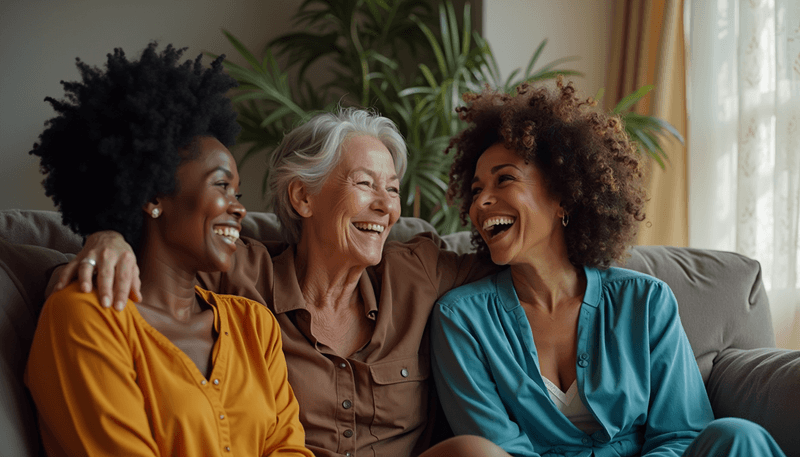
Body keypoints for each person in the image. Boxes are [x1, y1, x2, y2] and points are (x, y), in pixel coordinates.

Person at [51, 107, 508, 456]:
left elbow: (521, 262)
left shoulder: (418, 269)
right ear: (302, 197)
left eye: (392, 189)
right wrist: (109, 236)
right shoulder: (237, 276)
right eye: (366, 183)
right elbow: (154, 258)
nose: (386, 206)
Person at [431, 79, 787, 456]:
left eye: (504, 180)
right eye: (475, 190)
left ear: (563, 196)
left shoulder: (646, 301)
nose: (481, 202)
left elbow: (680, 433)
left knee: (739, 437)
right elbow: (497, 450)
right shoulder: (461, 319)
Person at [26, 43, 312, 456]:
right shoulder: (86, 318)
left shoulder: (255, 325)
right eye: (221, 185)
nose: (240, 208)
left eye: (238, 191)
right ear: (154, 195)